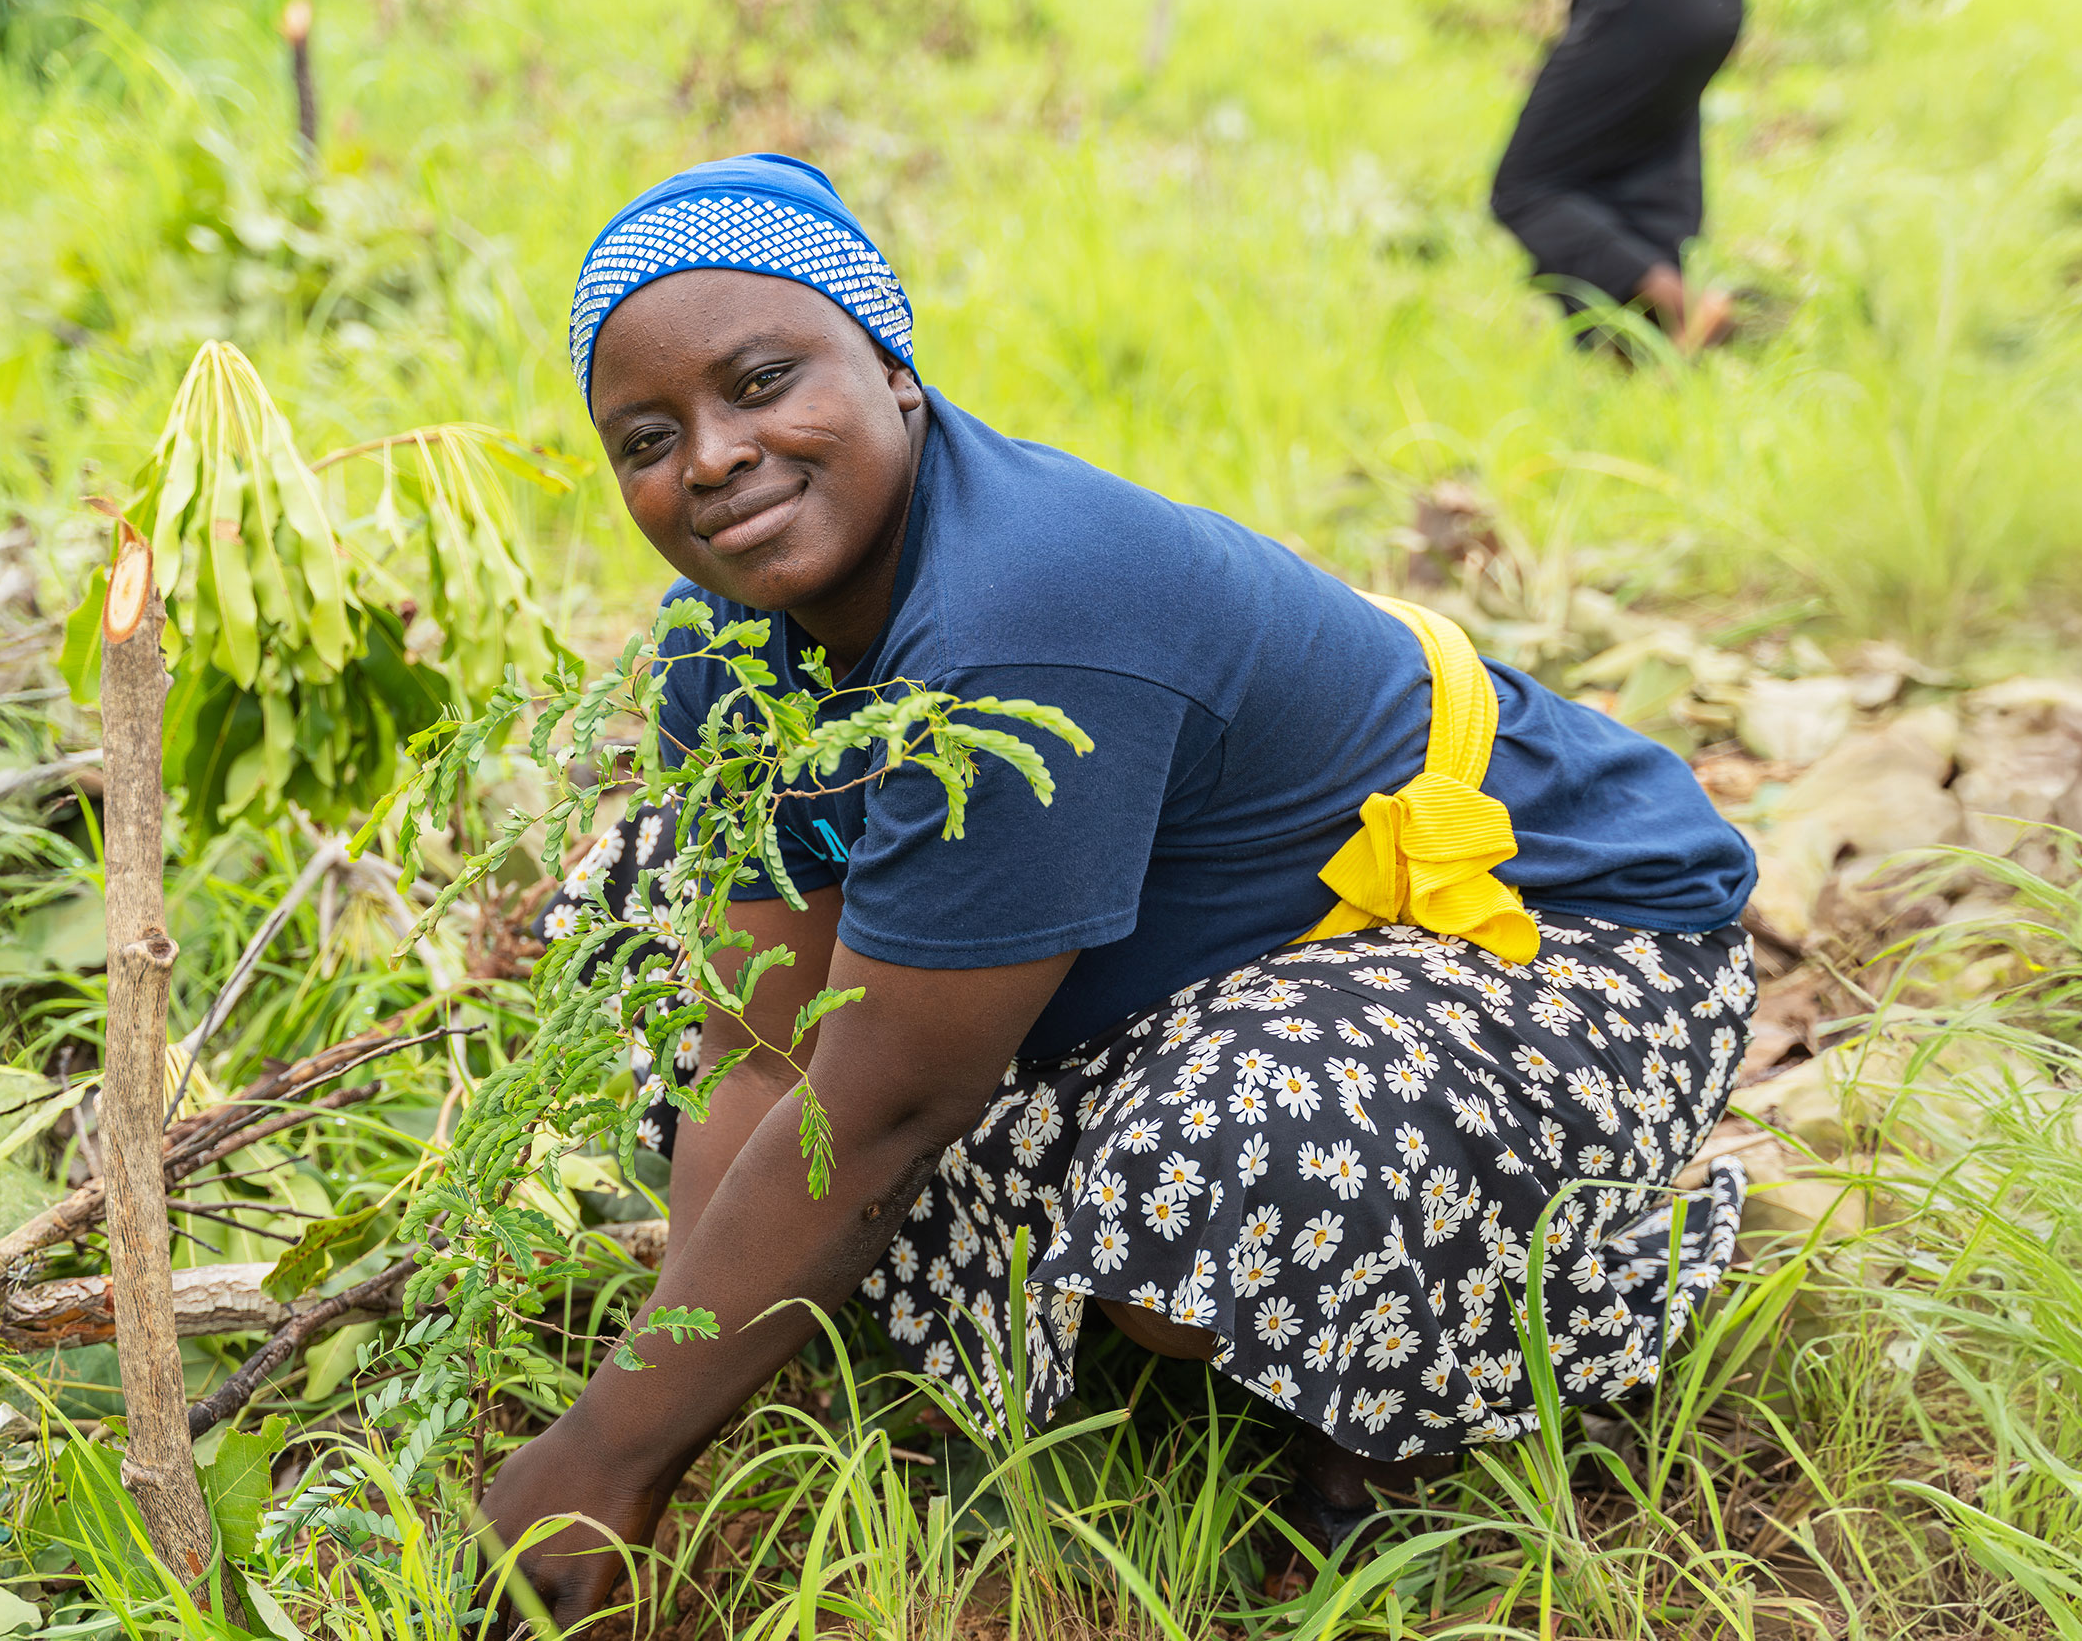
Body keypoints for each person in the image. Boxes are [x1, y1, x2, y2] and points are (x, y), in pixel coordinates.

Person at [482, 153, 1759, 1624]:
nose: (711, 456)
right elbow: (758, 1042)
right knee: (650, 929)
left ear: (894, 369)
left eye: (763, 380)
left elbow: (885, 1104)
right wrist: (666, 1390)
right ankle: (1108, 1297)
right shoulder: (727, 641)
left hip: (1574, 942)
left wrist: (608, 1448)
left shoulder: (1031, 610)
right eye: (649, 435)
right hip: (1211, 957)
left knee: (1234, 1156)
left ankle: (1415, 1417)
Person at [1490, 0, 1746, 351]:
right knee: (1638, 183)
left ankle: (1685, 308)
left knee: (1527, 188)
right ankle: (1642, 367)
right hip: (1710, 3)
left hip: (1641, 2)